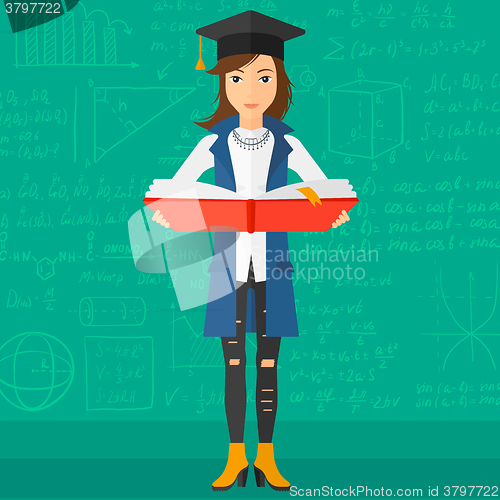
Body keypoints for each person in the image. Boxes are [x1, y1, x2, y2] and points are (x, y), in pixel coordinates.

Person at [152, 10, 350, 492]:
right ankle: (234, 457)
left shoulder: (286, 140)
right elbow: (173, 189)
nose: (251, 88)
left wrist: (321, 206)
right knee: (233, 362)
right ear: (223, 83)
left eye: (264, 76)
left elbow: (325, 188)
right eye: (239, 77)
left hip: (273, 265)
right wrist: (167, 210)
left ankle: (268, 456)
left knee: (268, 363)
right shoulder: (213, 141)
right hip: (226, 262)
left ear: (278, 81)